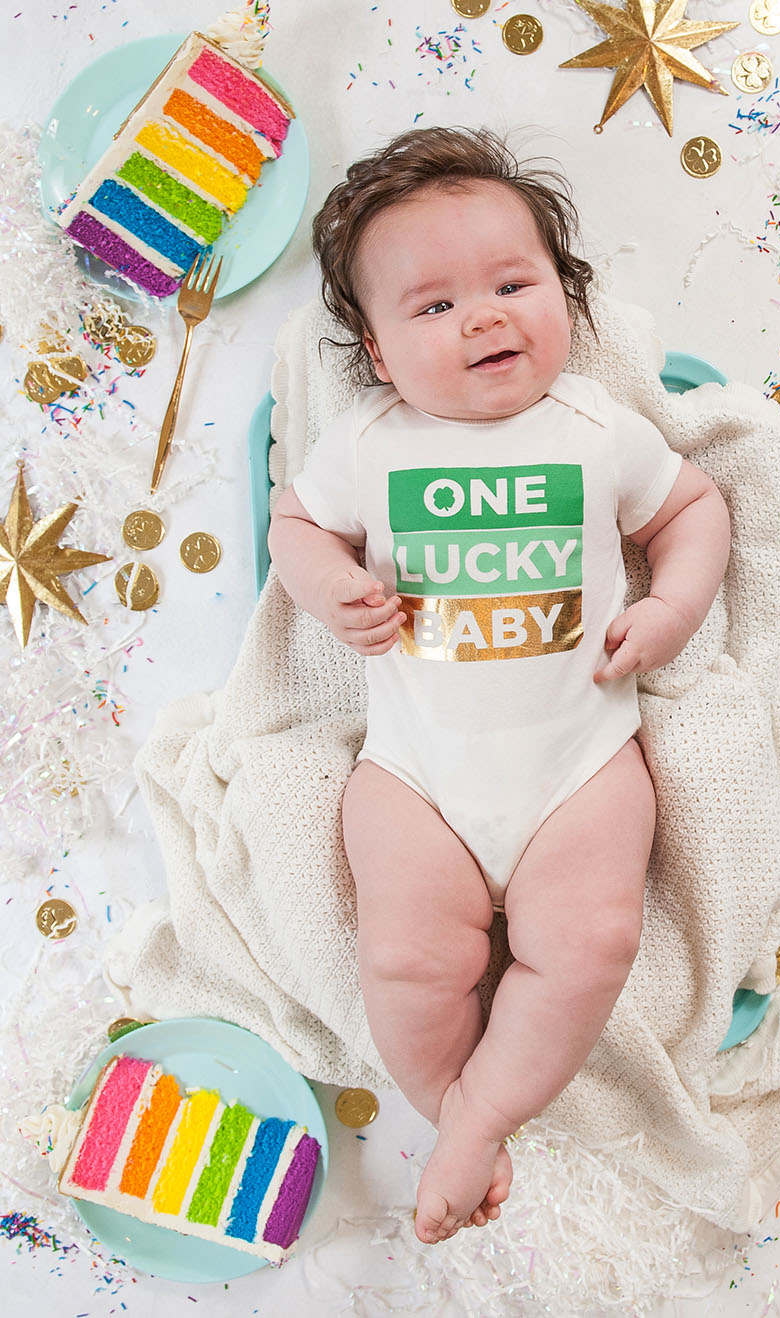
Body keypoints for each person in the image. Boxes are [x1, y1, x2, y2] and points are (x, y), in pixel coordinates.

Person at [267, 126, 731, 1245]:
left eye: (512, 284)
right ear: (376, 353)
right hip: (417, 771)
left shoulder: (593, 429)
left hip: (578, 763)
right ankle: (465, 1116)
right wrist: (329, 584)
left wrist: (668, 610)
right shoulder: (372, 442)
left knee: (592, 944)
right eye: (431, 307)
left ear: (564, 302)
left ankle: (474, 1125)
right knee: (405, 957)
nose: (480, 316)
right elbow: (294, 524)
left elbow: (693, 509)